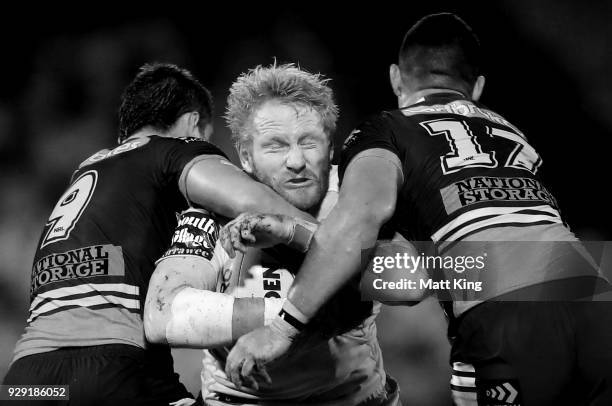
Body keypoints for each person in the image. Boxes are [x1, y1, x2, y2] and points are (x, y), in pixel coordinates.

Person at [223, 13, 612, 406]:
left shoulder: (386, 129)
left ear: (396, 78)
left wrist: (282, 329)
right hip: (593, 294)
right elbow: (444, 270)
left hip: (506, 313)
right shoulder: (512, 133)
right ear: (476, 87)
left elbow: (359, 220)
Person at [3, 63, 313, 405]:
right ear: (194, 124)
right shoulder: (175, 150)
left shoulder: (89, 168)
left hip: (25, 381)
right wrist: (341, 246)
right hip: (110, 369)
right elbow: (255, 203)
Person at [144, 63, 401, 405]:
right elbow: (164, 317)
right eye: (276, 146)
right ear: (246, 158)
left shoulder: (358, 195)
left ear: (330, 146)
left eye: (309, 142)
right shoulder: (215, 209)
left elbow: (416, 280)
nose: (296, 160)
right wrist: (287, 322)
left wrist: (294, 233)